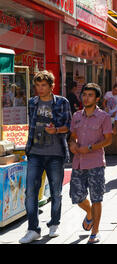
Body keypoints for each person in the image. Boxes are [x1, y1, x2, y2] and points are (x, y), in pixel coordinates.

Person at [20, 71, 71, 244]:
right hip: (35, 152)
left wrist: (55, 130)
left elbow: (68, 126)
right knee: (30, 193)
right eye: (37, 85)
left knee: (56, 191)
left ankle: (54, 223)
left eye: (43, 85)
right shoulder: (32, 103)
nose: (40, 89)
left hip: (55, 153)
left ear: (51, 86)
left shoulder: (62, 102)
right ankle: (33, 229)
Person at [68, 83, 112, 244]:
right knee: (76, 196)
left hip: (95, 162)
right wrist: (72, 144)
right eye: (84, 94)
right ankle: (90, 214)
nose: (86, 98)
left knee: (96, 198)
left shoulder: (104, 117)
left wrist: (91, 147)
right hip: (78, 162)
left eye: (90, 95)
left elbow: (108, 140)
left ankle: (95, 231)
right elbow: (72, 136)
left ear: (97, 98)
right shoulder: (76, 116)